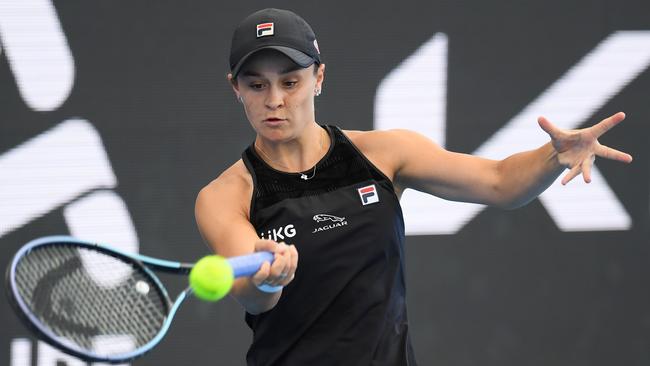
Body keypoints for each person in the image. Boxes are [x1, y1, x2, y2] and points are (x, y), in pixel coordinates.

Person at [194, 8, 633, 366]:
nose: (274, 100)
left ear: (319, 78)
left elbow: (499, 182)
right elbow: (251, 298)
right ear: (236, 89)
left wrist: (552, 156)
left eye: (290, 82)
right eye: (257, 85)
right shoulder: (224, 195)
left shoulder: (385, 153)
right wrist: (269, 279)